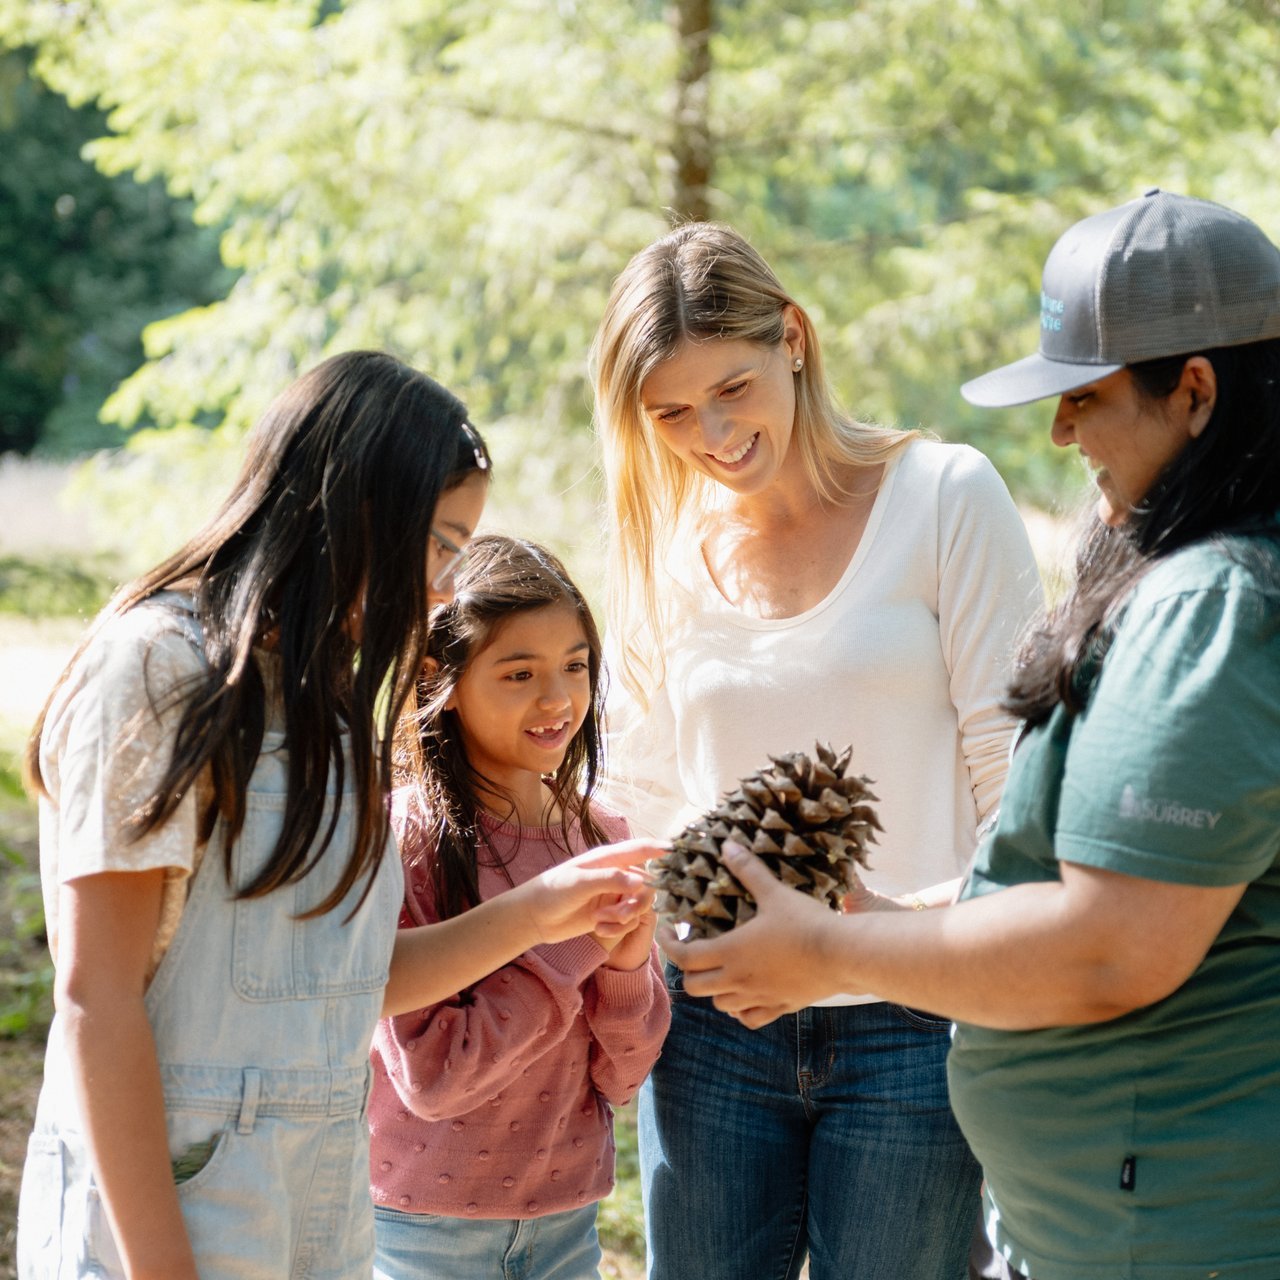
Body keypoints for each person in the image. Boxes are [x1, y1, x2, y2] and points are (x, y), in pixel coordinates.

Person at [663, 190, 1280, 1280]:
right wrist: (895, 917)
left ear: (1192, 392)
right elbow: (1073, 874)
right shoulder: (1180, 573)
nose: (1057, 432)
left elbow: (1109, 943)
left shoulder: (1213, 602)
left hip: (1171, 1228)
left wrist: (832, 950)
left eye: (1081, 396)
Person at [16, 351, 660, 1280]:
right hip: (164, 1222)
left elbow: (357, 981)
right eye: (441, 543)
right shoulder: (157, 673)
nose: (445, 584)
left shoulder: (329, 704)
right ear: (355, 511)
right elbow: (94, 1000)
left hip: (317, 1215)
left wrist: (547, 907)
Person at [591, 222, 1043, 1279]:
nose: (708, 431)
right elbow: (639, 790)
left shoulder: (943, 495)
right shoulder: (663, 545)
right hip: (714, 1023)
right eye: (668, 412)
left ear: (791, 338)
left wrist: (926, 939)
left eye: (730, 388)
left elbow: (1012, 776)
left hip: (913, 1017)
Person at [368, 533, 671, 1279]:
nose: (557, 699)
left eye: (574, 666)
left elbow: (622, 1080)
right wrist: (575, 946)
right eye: (519, 673)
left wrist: (629, 964)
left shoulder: (602, 836)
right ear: (440, 678)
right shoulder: (404, 841)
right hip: (421, 1230)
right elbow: (435, 1078)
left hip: (567, 1219)